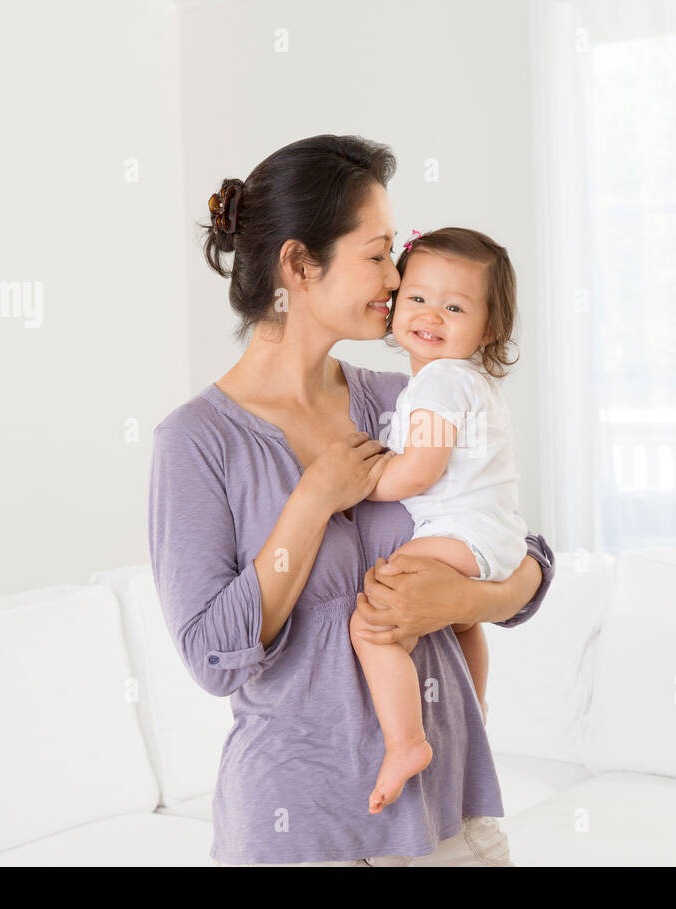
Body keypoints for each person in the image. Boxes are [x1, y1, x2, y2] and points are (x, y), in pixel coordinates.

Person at [147, 134, 556, 866]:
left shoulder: (408, 398)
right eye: (376, 254)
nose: (397, 277)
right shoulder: (197, 443)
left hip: (446, 811)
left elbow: (524, 559)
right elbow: (213, 659)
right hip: (303, 826)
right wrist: (311, 502)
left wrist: (460, 603)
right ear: (300, 266)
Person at [353, 227, 529, 815]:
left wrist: (358, 484)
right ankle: (474, 710)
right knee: (458, 623)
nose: (432, 315)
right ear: (396, 301)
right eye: (419, 298)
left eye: (455, 307)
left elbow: (420, 470)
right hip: (492, 536)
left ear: (490, 327)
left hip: (460, 533)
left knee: (376, 620)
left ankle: (406, 742)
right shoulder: (459, 383)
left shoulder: (440, 383)